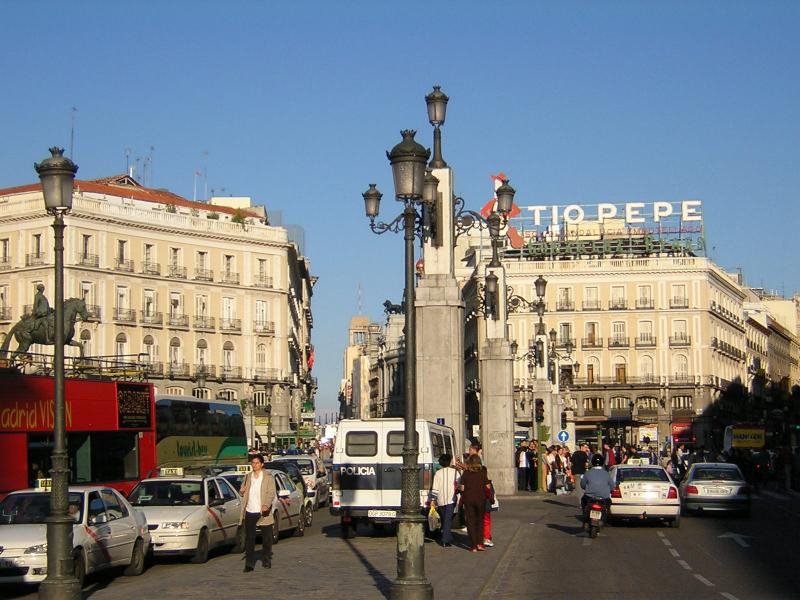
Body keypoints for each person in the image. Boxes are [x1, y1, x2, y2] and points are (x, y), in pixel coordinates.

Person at [239, 454, 276, 571]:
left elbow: (271, 493)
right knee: (250, 539)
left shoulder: (268, 477)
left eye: (256, 463)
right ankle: (249, 564)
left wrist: (266, 504)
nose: (254, 465)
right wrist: (241, 491)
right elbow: (242, 491)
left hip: (263, 512)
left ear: (262, 464)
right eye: (253, 463)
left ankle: (266, 560)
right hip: (250, 510)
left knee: (266, 538)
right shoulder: (248, 477)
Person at [458, 454, 489, 552]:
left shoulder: (466, 473)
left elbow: (462, 488)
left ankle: (473, 546)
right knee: (480, 521)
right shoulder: (483, 472)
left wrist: (459, 487)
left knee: (470, 522)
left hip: (469, 499)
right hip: (481, 499)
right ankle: (480, 543)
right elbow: (488, 486)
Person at [429, 453, 459, 548]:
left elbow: (435, 488)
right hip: (451, 499)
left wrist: (433, 500)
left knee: (444, 519)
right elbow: (459, 484)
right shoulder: (455, 472)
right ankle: (445, 539)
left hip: (440, 500)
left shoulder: (438, 473)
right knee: (447, 519)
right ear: (449, 461)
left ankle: (446, 537)